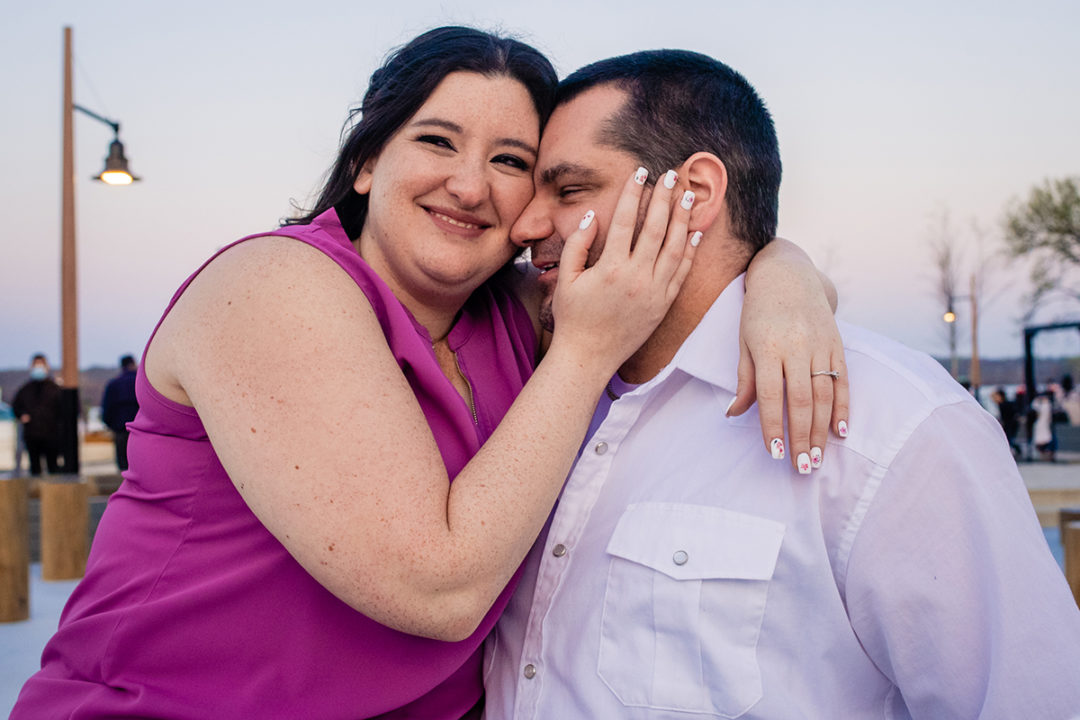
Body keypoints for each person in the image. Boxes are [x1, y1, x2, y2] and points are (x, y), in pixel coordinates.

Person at [12, 28, 843, 719]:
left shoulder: (519, 315)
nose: (470, 184)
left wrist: (782, 276)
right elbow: (436, 591)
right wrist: (588, 351)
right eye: (438, 141)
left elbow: (700, 271)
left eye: (513, 161)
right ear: (369, 161)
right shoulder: (272, 287)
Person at [484, 50, 1080, 719]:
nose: (526, 227)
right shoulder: (526, 385)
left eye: (567, 191)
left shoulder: (898, 430)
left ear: (696, 193)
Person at [11, 353, 62, 476]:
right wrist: (22, 415)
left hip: (52, 435)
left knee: (53, 467)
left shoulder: (55, 389)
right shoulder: (25, 389)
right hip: (32, 435)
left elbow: (63, 411)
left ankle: (53, 493)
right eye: (35, 365)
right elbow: (16, 406)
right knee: (34, 468)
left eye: (41, 365)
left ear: (47, 367)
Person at [101, 354, 139, 471]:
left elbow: (107, 408)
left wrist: (112, 426)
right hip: (140, 431)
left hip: (120, 431)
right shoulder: (141, 382)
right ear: (133, 364)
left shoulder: (113, 385)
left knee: (123, 468)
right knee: (140, 466)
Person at [990, 386, 1020, 459]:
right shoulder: (1001, 405)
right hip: (1007, 426)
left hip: (1009, 426)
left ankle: (1014, 453)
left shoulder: (1005, 405)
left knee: (1009, 441)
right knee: (1009, 441)